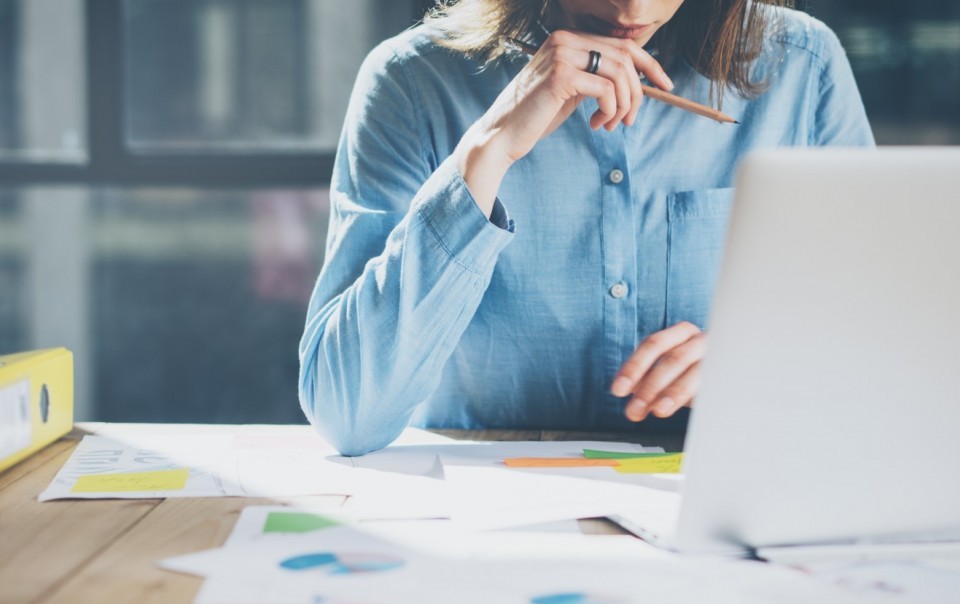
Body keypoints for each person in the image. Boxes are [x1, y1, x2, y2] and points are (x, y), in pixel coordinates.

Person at [299, 0, 873, 456]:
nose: (631, 9)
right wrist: (486, 154)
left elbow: (879, 349)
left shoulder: (804, 68)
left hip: (717, 501)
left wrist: (766, 360)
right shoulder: (410, 82)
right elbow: (345, 413)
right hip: (482, 525)